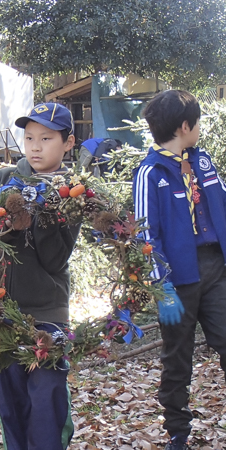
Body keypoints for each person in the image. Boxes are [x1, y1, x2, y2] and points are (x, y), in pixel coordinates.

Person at [0, 102, 79, 450]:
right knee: (11, 401)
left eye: (46, 138)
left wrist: (42, 213)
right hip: (1, 312)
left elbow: (54, 259)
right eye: (29, 137)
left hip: (48, 314)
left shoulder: (74, 194)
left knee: (47, 397)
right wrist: (5, 224)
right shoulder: (0, 180)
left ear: (68, 143)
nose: (35, 146)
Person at [133, 90, 226, 450]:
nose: (200, 128)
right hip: (177, 279)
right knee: (178, 359)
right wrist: (161, 286)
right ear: (185, 126)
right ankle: (178, 431)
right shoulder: (150, 172)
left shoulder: (202, 163)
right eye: (198, 122)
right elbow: (144, 233)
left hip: (215, 269)